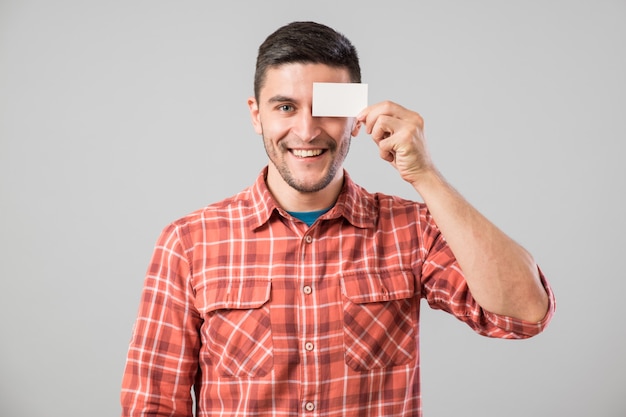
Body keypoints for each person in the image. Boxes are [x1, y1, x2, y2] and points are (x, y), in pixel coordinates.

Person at [120, 21, 555, 417]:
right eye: (285, 107)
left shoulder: (411, 230)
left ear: (356, 116)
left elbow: (523, 315)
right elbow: (153, 405)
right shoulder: (190, 242)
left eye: (327, 107)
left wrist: (424, 175)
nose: (308, 131)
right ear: (257, 114)